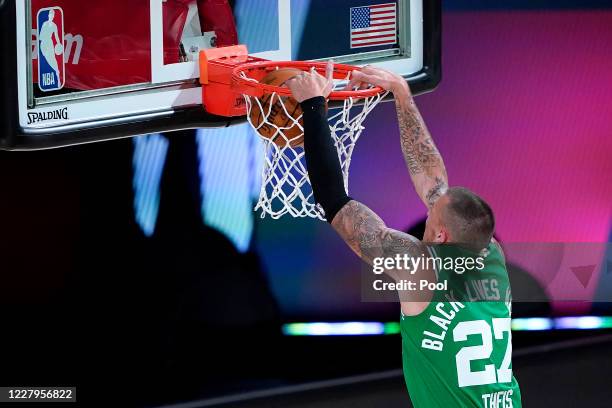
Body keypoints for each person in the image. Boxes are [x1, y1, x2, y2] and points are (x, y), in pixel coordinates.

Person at [286, 62, 522, 408]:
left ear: (440, 236)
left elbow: (335, 203)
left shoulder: (417, 267)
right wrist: (401, 93)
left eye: (430, 216)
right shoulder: (492, 255)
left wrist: (312, 106)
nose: (427, 209)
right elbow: (435, 186)